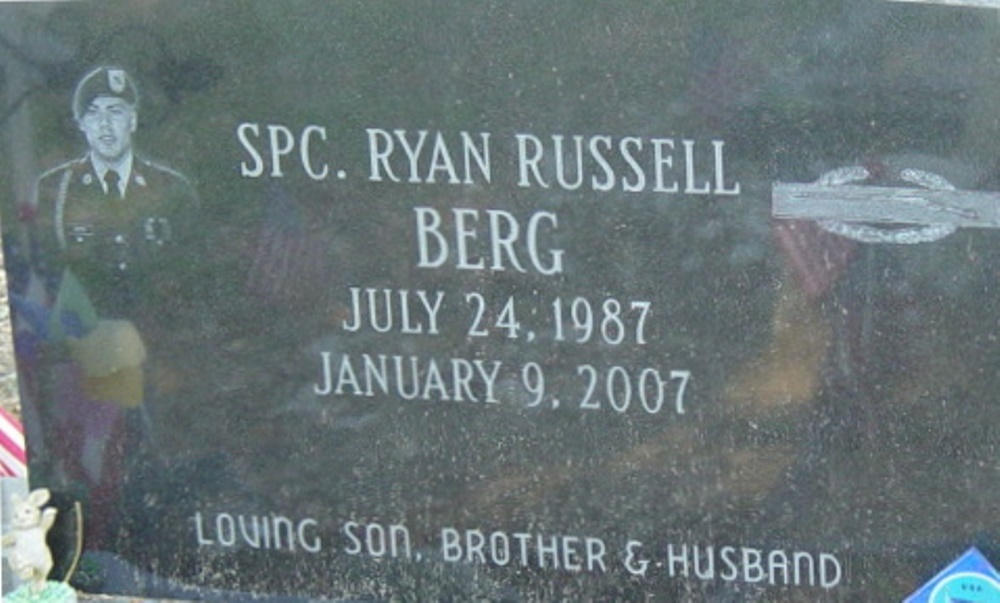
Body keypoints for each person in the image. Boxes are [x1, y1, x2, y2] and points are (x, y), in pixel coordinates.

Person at [22, 66, 200, 553]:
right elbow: (47, 270)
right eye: (94, 114)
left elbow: (190, 270)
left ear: (134, 120)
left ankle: (160, 512)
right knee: (102, 446)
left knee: (158, 435)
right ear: (81, 124)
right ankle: (109, 526)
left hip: (160, 339)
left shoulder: (170, 187)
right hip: (91, 345)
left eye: (116, 113)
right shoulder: (54, 191)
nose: (105, 124)